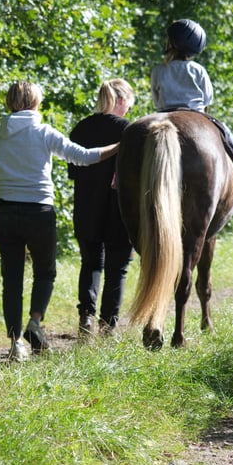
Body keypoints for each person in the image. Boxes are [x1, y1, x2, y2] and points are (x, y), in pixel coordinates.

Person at [0, 81, 120, 361]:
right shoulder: (43, 132)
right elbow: (83, 157)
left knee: (11, 279)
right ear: (35, 103)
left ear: (10, 103)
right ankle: (35, 323)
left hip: (5, 213)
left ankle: (15, 344)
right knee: (45, 273)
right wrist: (120, 145)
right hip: (39, 213)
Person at [68, 79, 136, 338]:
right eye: (129, 103)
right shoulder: (129, 132)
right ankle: (108, 327)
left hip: (86, 207)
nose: (129, 109)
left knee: (91, 263)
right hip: (119, 211)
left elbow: (74, 172)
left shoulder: (81, 128)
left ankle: (86, 317)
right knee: (117, 268)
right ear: (120, 101)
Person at [150, 18, 233, 188]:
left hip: (164, 114)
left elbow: (156, 98)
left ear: (171, 42)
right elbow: (207, 99)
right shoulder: (199, 70)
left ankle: (118, 175)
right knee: (226, 132)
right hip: (196, 113)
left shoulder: (159, 70)